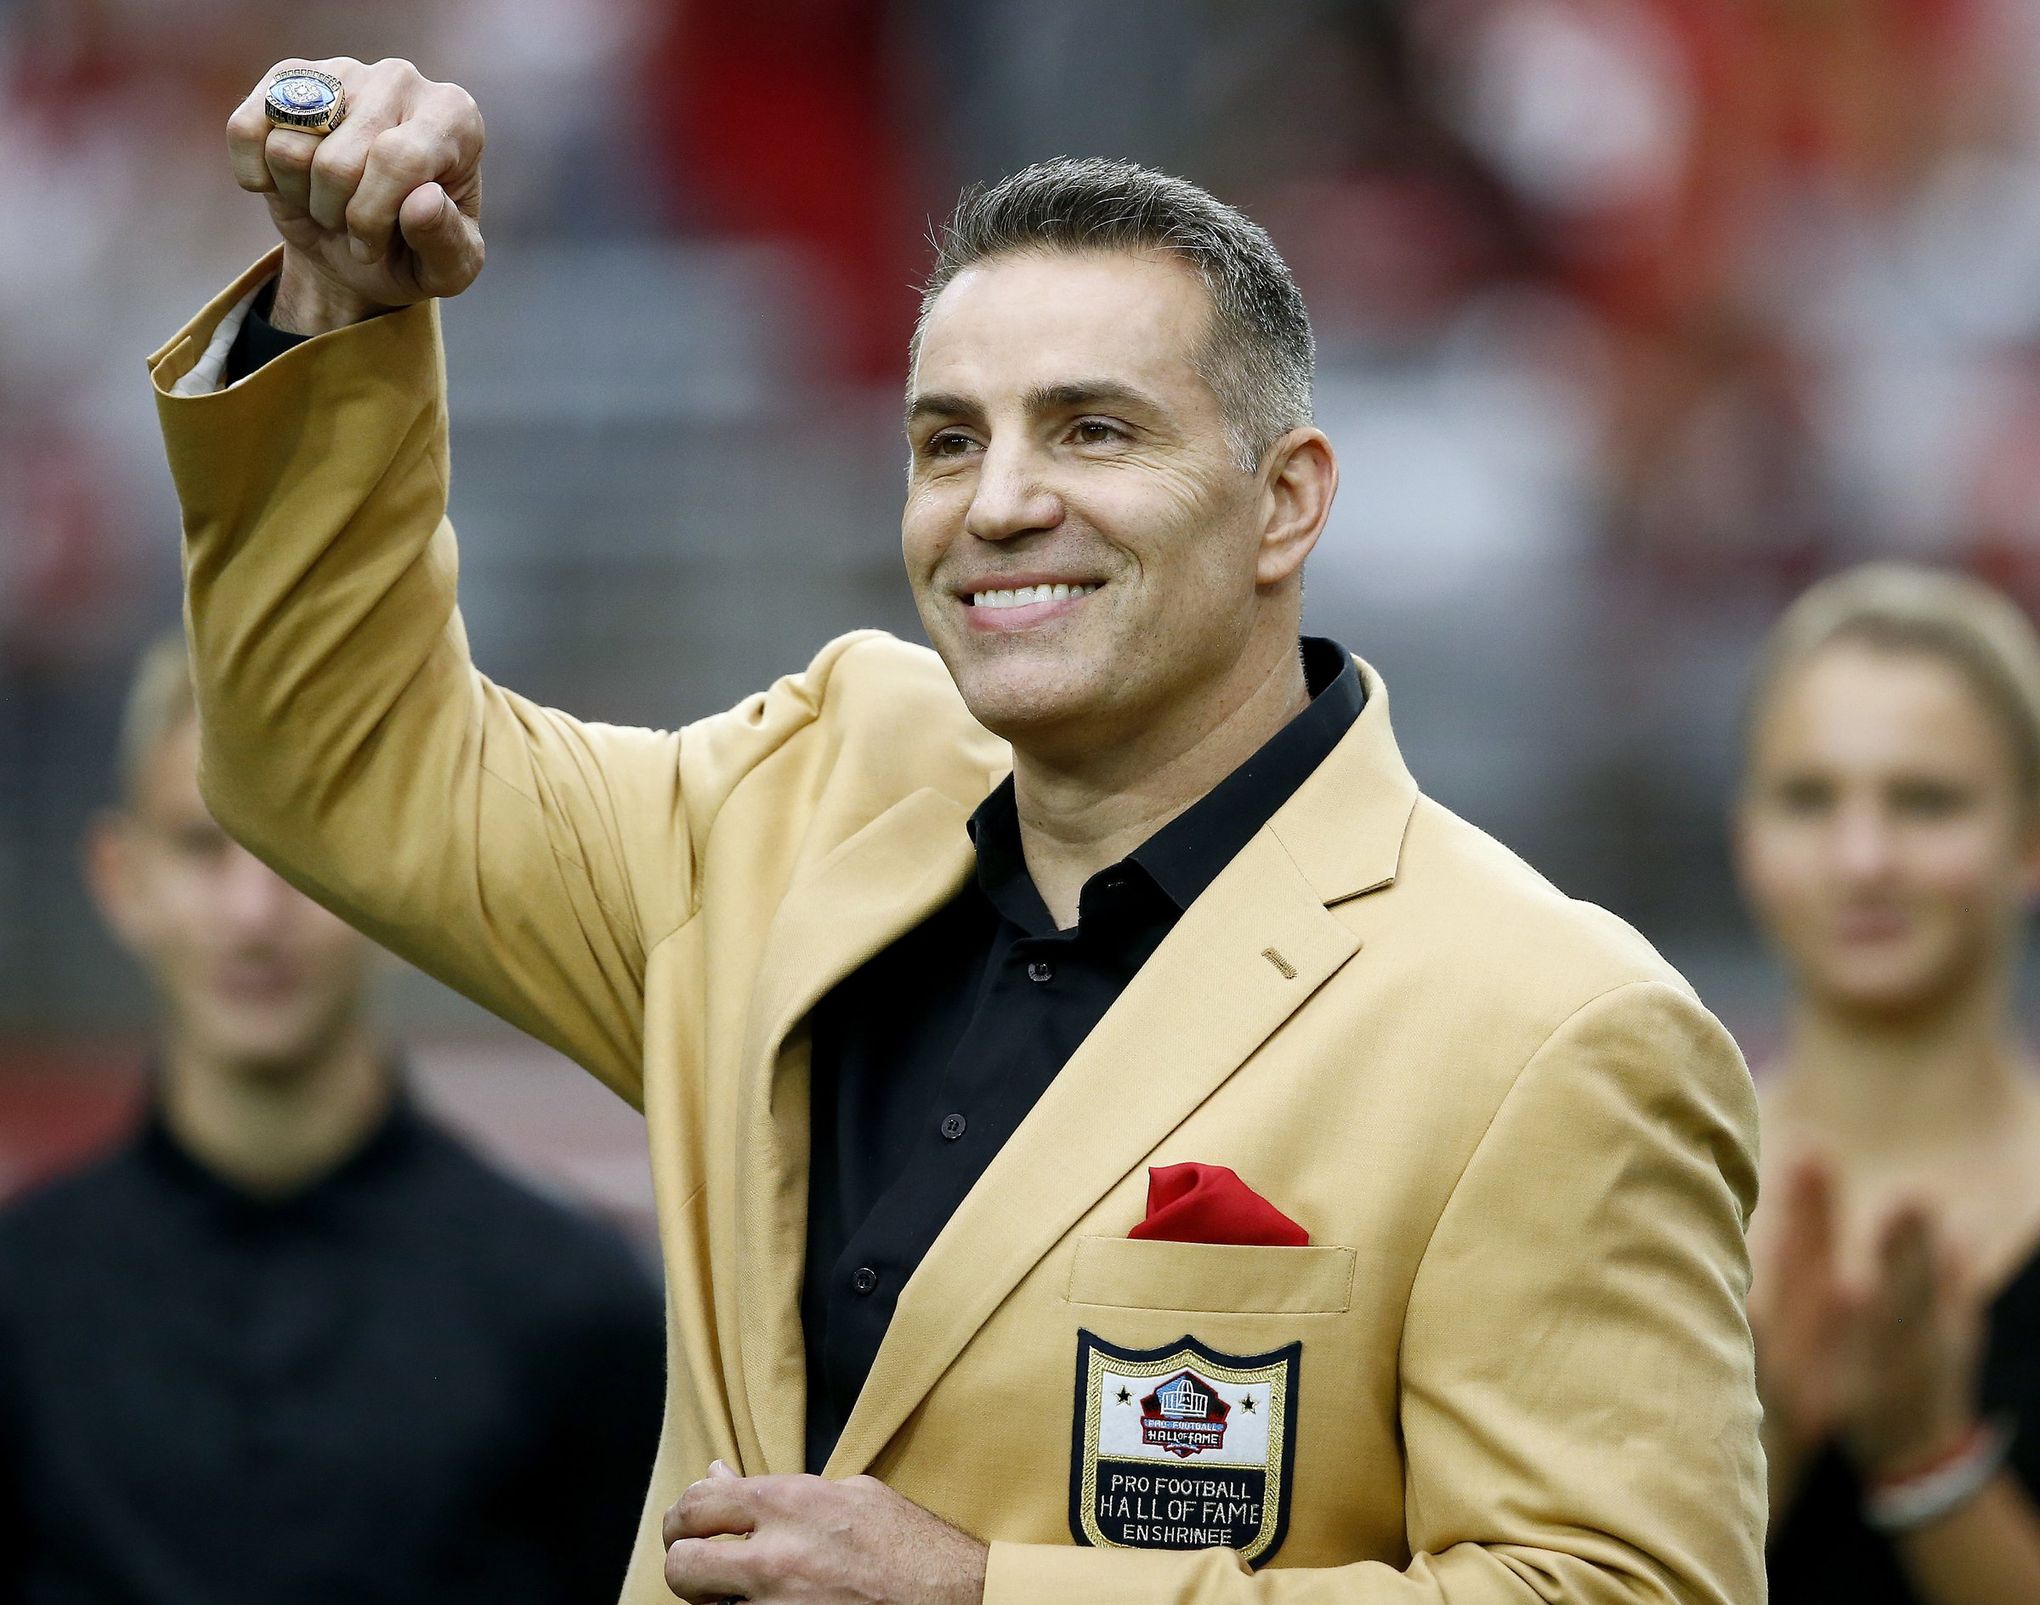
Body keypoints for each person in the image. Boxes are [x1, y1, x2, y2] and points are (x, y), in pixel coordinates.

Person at [146, 54, 1766, 1604]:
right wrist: (343, 305)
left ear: (1288, 500)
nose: (997, 503)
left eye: (1092, 429)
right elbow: (330, 759)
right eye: (946, 441)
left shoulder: (1551, 1026)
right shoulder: (790, 811)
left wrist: (989, 1597)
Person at [0, 631, 666, 1605]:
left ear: (396, 879)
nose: (254, 915)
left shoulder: (576, 1309)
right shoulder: (21, 1302)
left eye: (298, 849)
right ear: (121, 877)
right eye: (201, 846)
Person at [1740, 564, 2040, 1604]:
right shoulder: (1633, 1187)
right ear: (1748, 837)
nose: (1863, 858)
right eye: (1809, 798)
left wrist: (1930, 1459)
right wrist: (1760, 1443)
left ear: (2030, 839)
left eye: (1927, 801)